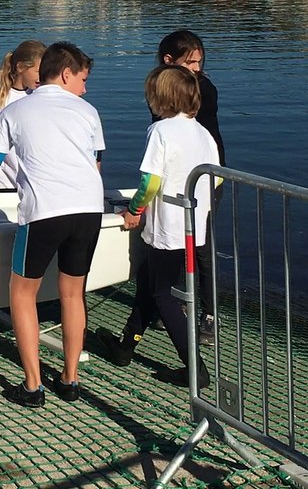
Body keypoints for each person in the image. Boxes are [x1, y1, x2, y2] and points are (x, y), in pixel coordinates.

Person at [0, 42, 103, 408]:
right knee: (73, 294)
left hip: (45, 211)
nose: (85, 89)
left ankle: (33, 386)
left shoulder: (15, 111)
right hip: (89, 210)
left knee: (22, 295)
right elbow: (95, 166)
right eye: (83, 79)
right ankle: (70, 380)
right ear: (66, 74)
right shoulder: (88, 112)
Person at [105, 64, 219, 388]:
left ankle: (195, 367)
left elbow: (151, 181)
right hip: (195, 224)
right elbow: (217, 175)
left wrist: (134, 209)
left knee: (162, 293)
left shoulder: (161, 131)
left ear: (161, 99)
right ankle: (126, 345)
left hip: (167, 226)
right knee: (149, 284)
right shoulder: (203, 133)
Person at [155, 30, 225, 342]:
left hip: (206, 175)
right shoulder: (160, 88)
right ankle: (174, 302)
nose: (196, 68)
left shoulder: (202, 88)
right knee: (173, 240)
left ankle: (209, 313)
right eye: (190, 62)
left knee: (202, 245)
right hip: (175, 172)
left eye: (199, 62)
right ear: (169, 61)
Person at [0, 40, 46, 193]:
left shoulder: (41, 96)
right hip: (6, 182)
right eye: (38, 71)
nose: (42, 77)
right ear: (20, 67)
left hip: (35, 182)